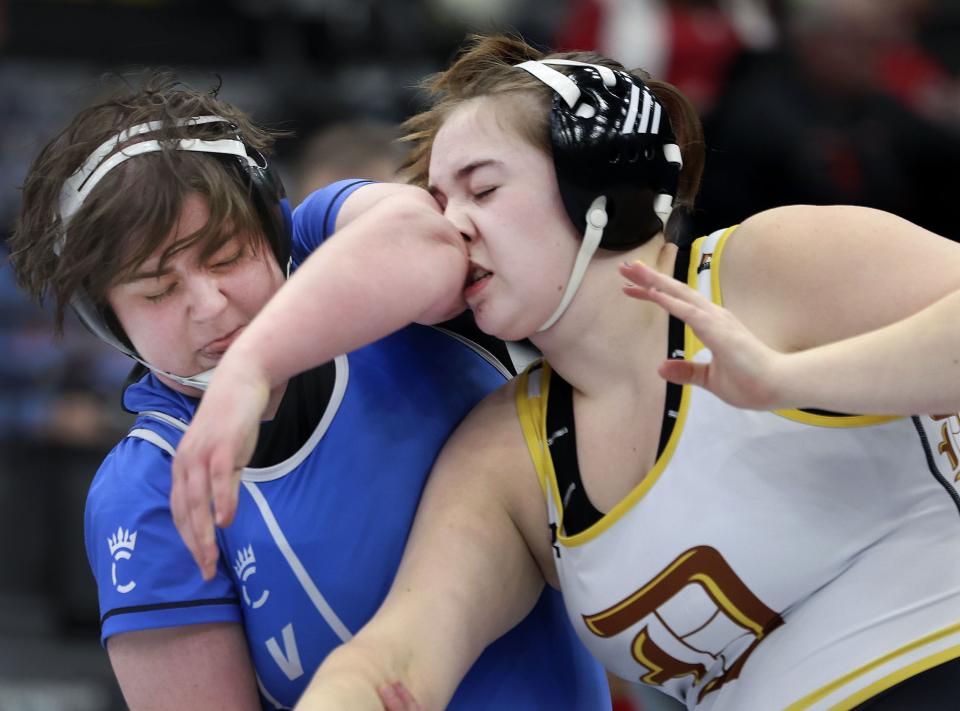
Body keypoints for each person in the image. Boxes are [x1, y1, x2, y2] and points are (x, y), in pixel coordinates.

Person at [170, 35, 960, 710]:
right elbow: (395, 658)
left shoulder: (771, 267)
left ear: (603, 190)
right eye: (438, 201)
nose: (453, 227)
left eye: (482, 187)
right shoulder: (508, 460)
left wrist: (795, 380)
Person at [7, 70, 611, 710]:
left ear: (272, 231)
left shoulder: (329, 241)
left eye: (226, 256)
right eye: (158, 290)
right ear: (109, 320)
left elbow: (435, 242)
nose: (210, 305)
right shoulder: (145, 491)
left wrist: (254, 368)